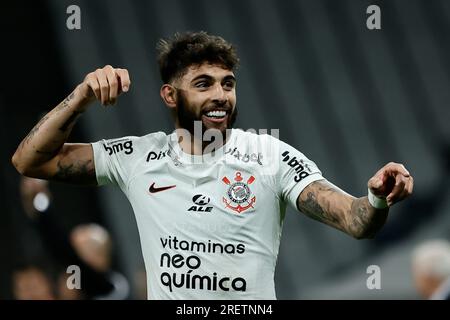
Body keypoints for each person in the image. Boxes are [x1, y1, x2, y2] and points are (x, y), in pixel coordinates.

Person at [11, 31, 413, 299]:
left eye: (228, 83)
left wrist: (376, 197)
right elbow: (29, 160)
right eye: (203, 84)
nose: (220, 95)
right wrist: (82, 95)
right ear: (170, 95)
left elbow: (355, 221)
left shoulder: (269, 156)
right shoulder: (135, 156)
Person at [19, 176, 129, 299]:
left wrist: (41, 202)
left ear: (99, 258)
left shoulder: (110, 289)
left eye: (76, 252)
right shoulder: (75, 288)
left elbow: (65, 253)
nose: (68, 269)